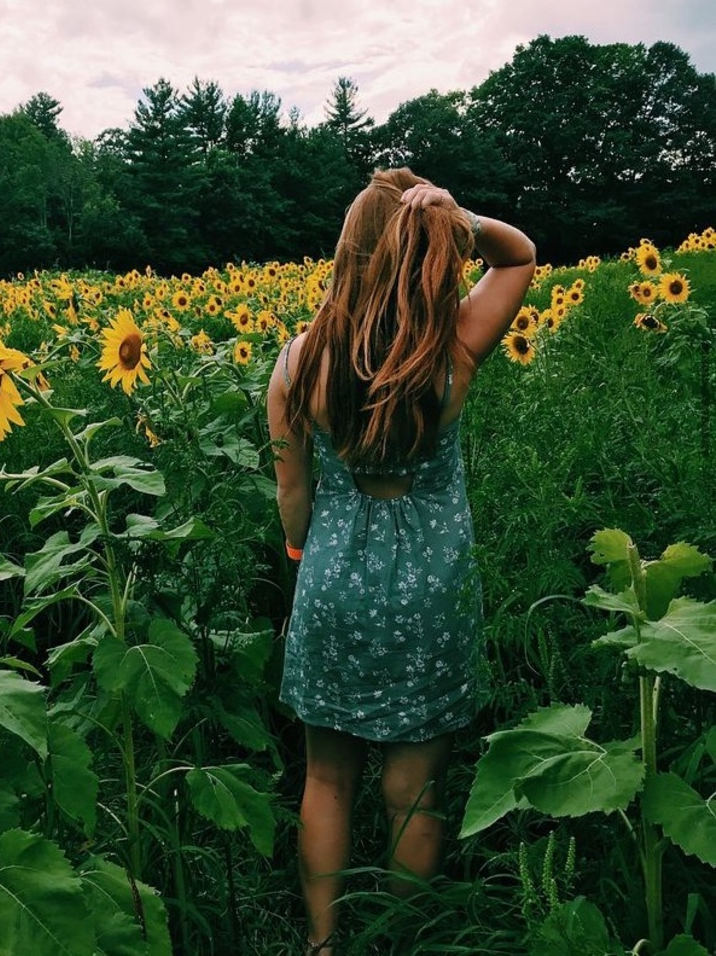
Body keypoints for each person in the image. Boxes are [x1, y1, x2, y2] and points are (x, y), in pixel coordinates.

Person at [266, 168, 536, 955]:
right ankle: (400, 941)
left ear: (346, 252)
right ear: (425, 248)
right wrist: (456, 216)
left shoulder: (299, 362)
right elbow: (519, 256)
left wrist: (301, 560)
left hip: (333, 582)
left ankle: (321, 944)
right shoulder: (452, 347)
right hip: (432, 590)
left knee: (326, 780)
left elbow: (292, 492)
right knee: (412, 792)